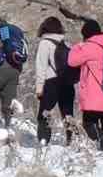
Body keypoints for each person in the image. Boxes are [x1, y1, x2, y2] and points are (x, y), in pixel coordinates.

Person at [67, 18, 103, 154]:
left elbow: (72, 61)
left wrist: (79, 45)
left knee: (89, 124)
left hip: (95, 98)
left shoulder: (90, 47)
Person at [32, 16, 76, 145]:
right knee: (68, 114)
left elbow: (41, 67)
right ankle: (71, 142)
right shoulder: (66, 44)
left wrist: (39, 88)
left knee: (44, 114)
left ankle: (44, 142)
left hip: (52, 82)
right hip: (68, 83)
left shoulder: (44, 43)